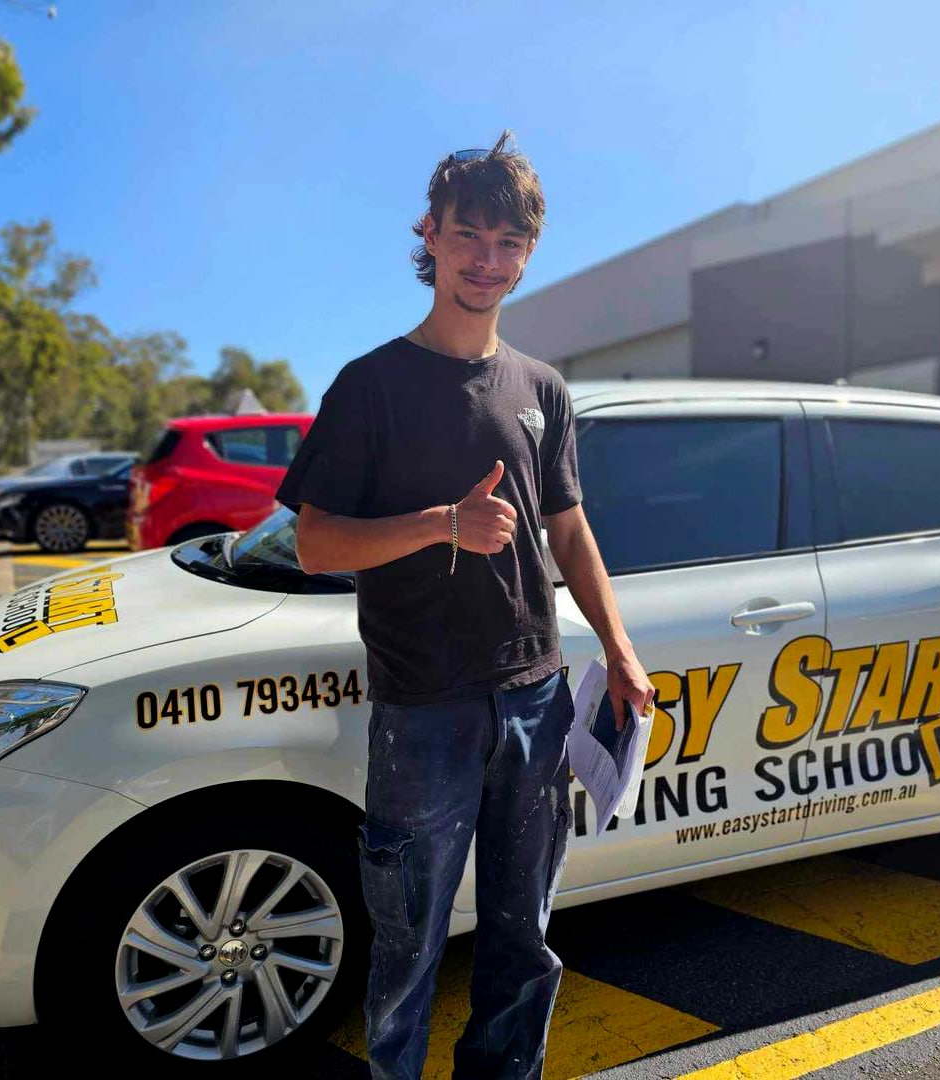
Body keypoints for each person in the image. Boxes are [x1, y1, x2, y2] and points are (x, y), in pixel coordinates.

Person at [276, 130, 654, 1080]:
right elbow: (317, 543)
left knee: (524, 939)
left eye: (509, 243)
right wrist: (443, 522)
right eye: (469, 236)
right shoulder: (371, 387)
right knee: (406, 950)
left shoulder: (543, 389)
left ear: (529, 253)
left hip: (535, 697)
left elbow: (569, 533)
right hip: (424, 710)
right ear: (431, 237)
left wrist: (619, 647)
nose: (488, 261)